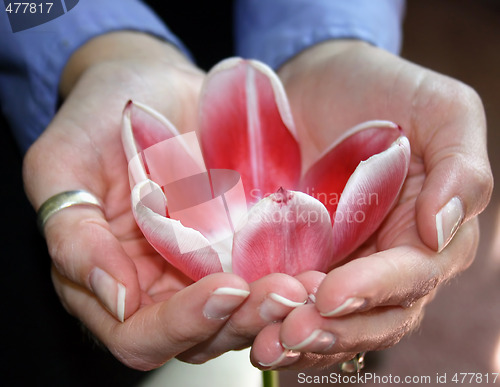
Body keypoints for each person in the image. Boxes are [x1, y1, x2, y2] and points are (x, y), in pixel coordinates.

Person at [0, 0, 492, 376]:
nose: (279, 211)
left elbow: (377, 155)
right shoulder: (167, 172)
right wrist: (95, 46)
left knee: (348, 319)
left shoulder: (318, 188)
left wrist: (330, 40)